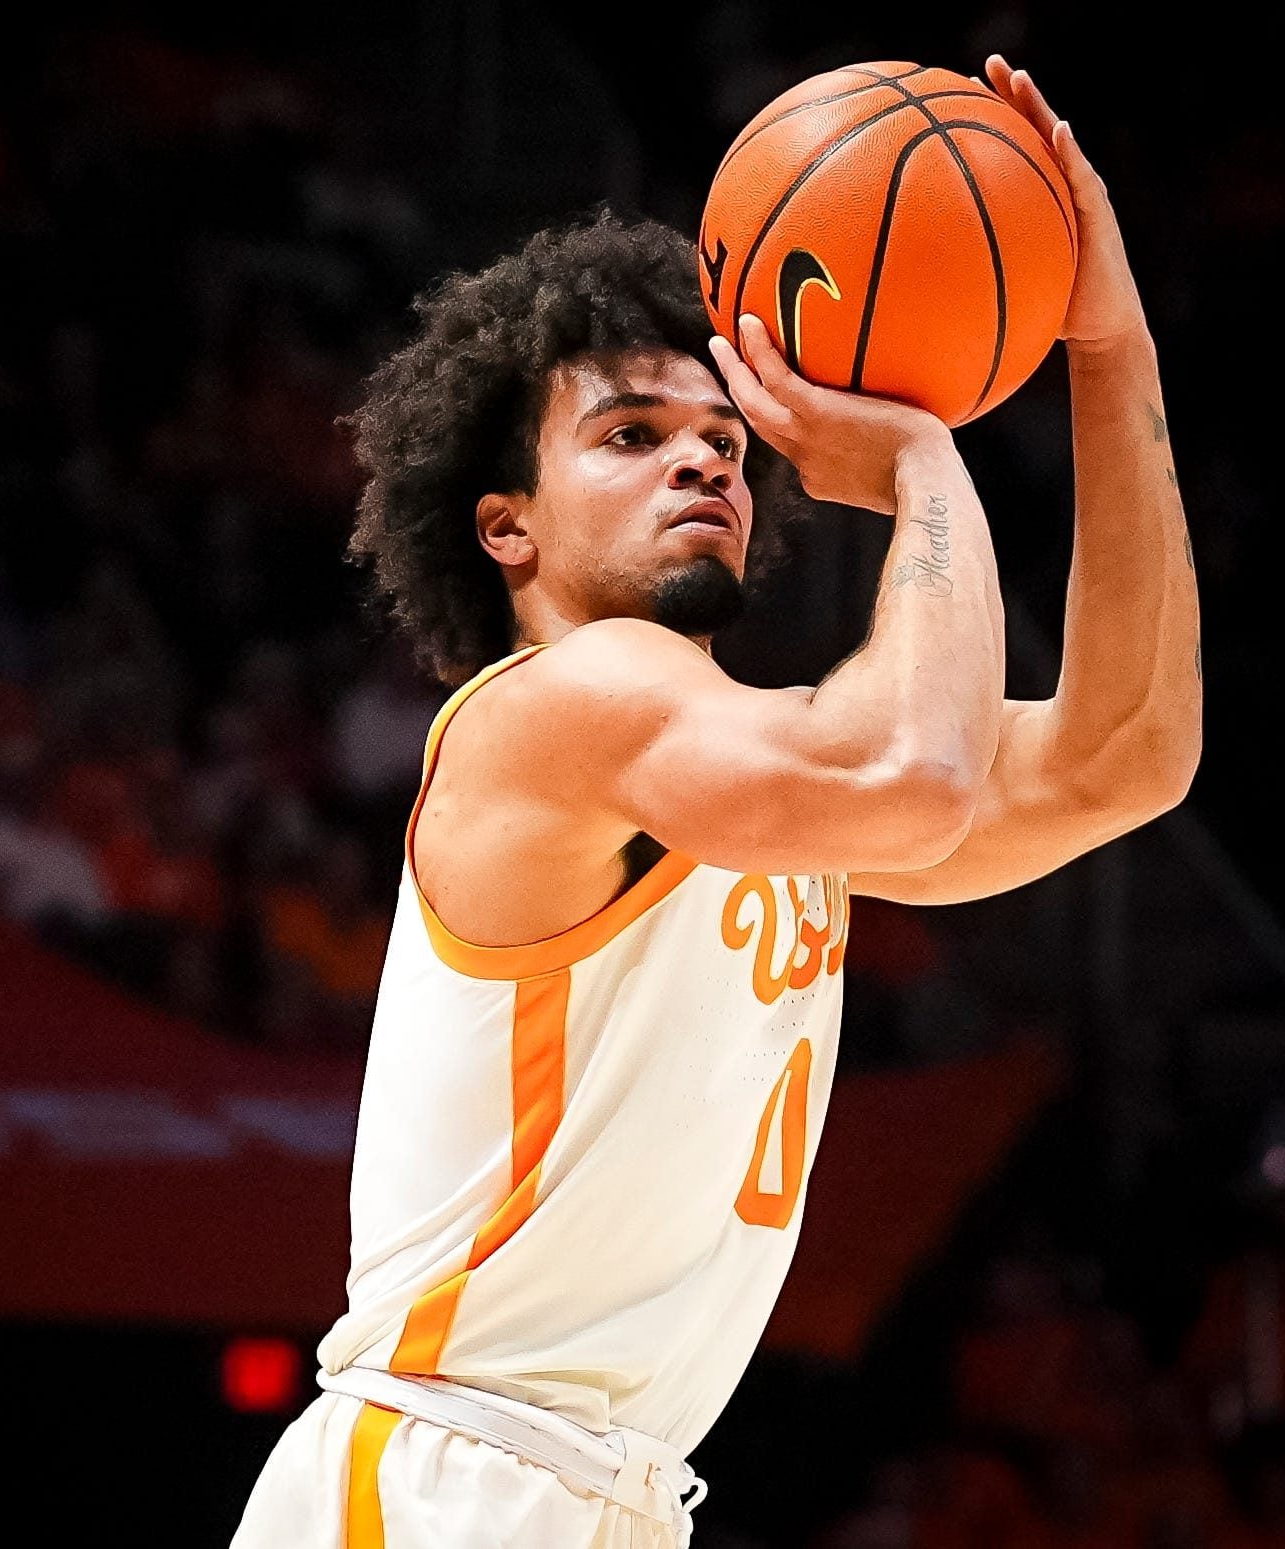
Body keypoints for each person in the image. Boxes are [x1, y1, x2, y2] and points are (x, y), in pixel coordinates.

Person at [233, 59, 1200, 1549]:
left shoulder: (748, 771)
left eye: (725, 439)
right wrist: (929, 464)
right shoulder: (557, 709)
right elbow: (916, 771)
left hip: (606, 1490)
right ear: (506, 527)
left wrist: (1109, 345)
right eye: (629, 435)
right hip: (445, 1477)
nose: (701, 452)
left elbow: (1126, 751)